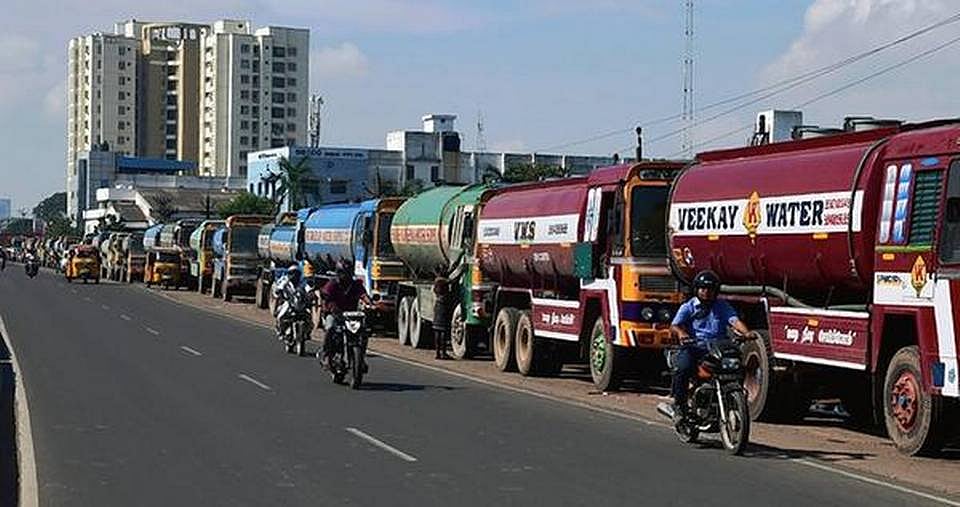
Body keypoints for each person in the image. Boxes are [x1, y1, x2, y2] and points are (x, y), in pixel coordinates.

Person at [669, 270, 751, 420]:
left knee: (737, 367)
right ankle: (679, 406)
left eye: (710, 289)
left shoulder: (722, 306)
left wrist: (747, 334)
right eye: (703, 289)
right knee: (683, 368)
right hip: (694, 347)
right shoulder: (689, 307)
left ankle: (734, 398)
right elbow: (675, 325)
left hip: (717, 348)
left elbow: (734, 320)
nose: (706, 292)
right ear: (697, 289)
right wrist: (682, 334)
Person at [319, 261, 372, 365]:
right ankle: (325, 354)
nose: (345, 275)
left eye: (347, 272)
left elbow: (363, 294)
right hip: (335, 314)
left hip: (352, 316)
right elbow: (325, 294)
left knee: (363, 332)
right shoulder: (332, 284)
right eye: (343, 273)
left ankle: (361, 357)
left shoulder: (356, 284)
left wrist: (369, 302)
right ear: (338, 272)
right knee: (330, 328)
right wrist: (330, 307)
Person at [272, 265, 303, 340]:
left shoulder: (301, 282)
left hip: (299, 303)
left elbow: (307, 289)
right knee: (281, 316)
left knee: (308, 318)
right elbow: (280, 287)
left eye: (297, 274)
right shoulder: (285, 281)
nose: (295, 276)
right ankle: (281, 331)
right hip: (288, 302)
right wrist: (279, 291)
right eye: (292, 273)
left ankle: (306, 332)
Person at [432, 275, 452, 360]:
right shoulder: (444, 283)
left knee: (437, 331)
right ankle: (443, 353)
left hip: (437, 307)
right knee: (443, 331)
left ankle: (437, 353)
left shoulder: (437, 283)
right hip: (444, 307)